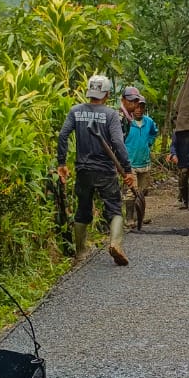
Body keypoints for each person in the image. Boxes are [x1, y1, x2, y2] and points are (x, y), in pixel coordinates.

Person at [57, 75, 136, 266]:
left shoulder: (75, 111)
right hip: (106, 171)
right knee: (115, 208)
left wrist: (61, 163)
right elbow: (117, 142)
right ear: (107, 94)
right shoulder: (110, 115)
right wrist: (127, 170)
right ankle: (115, 243)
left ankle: (81, 252)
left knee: (83, 210)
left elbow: (63, 135)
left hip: (83, 170)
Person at [120, 86, 158, 230]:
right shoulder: (127, 122)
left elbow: (154, 133)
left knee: (143, 190)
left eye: (142, 106)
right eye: (137, 106)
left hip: (144, 161)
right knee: (131, 191)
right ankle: (129, 218)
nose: (139, 109)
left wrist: (149, 142)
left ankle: (138, 215)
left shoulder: (148, 122)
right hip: (130, 162)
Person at [169, 128, 189, 210]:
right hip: (182, 161)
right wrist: (173, 154)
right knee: (182, 182)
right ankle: (185, 202)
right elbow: (173, 145)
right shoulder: (177, 132)